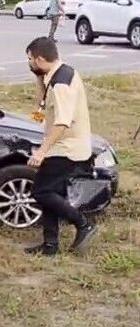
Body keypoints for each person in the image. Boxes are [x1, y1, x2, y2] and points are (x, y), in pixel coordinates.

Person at [25, 36, 96, 256]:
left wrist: (41, 152)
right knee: (50, 191)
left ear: (39, 58)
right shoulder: (58, 73)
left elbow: (62, 122)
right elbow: (40, 108)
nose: (28, 64)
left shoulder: (60, 84)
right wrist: (38, 78)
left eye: (30, 60)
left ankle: (83, 223)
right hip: (66, 146)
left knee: (41, 191)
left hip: (68, 149)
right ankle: (50, 246)